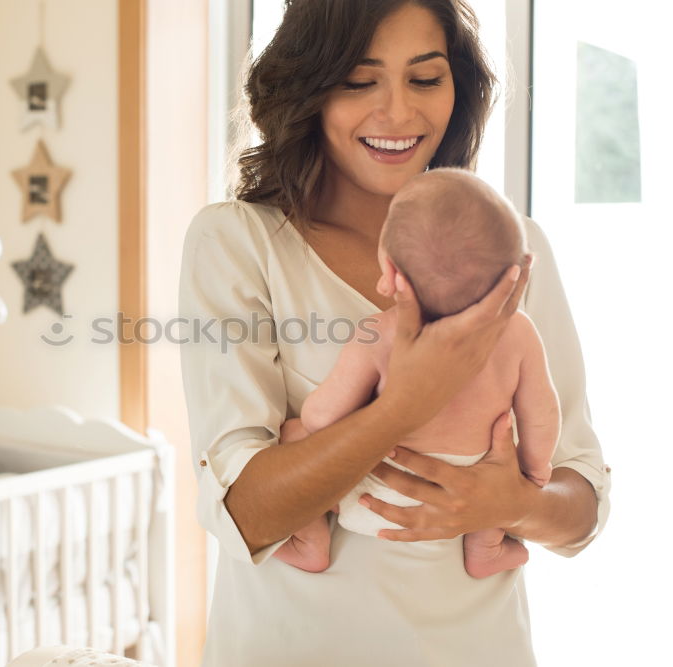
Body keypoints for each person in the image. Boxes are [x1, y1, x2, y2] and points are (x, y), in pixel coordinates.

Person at [178, 0, 611, 664]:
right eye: (359, 80)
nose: (399, 112)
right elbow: (247, 512)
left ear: (457, 88)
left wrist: (508, 501)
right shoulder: (236, 242)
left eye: (425, 78)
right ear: (310, 88)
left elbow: (582, 505)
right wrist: (404, 406)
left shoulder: (515, 253)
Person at [272, 168, 560, 580]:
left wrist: (316, 420)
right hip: (473, 494)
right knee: (504, 455)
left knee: (293, 437)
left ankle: (310, 541)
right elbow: (542, 414)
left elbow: (322, 420)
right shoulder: (518, 333)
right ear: (511, 276)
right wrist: (531, 475)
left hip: (373, 496)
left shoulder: (379, 333)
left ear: (389, 272)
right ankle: (487, 550)